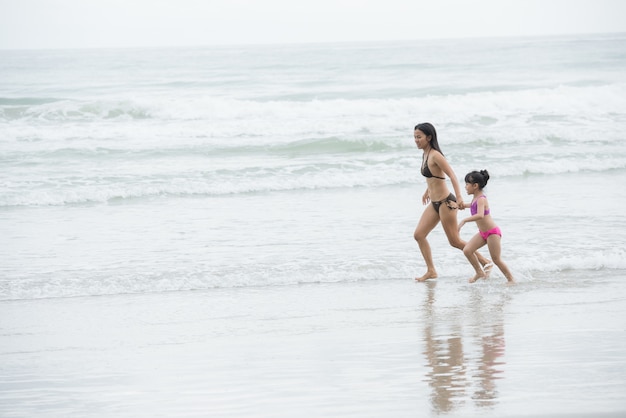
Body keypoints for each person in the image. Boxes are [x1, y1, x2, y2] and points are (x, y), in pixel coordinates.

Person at [413, 123, 491, 282]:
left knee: (454, 241)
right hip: (434, 203)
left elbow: (452, 176)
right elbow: (434, 177)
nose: (416, 140)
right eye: (415, 137)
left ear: (429, 138)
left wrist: (460, 197)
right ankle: (431, 270)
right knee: (419, 235)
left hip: (446, 203)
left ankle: (485, 262)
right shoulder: (425, 154)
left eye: (419, 137)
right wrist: (427, 191)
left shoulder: (436, 155)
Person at [458, 170, 515, 284]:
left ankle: (511, 279)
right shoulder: (475, 198)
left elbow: (480, 215)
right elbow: (471, 205)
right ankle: (479, 272)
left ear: (475, 186)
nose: (465, 187)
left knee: (496, 259)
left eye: (467, 184)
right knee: (467, 250)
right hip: (483, 233)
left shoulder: (481, 199)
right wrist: (460, 205)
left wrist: (464, 220)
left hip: (492, 233)